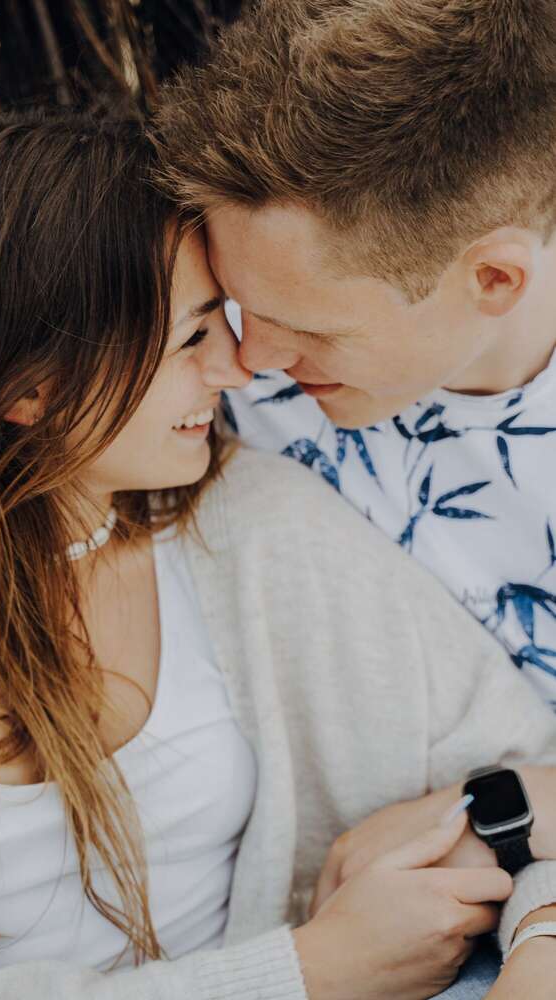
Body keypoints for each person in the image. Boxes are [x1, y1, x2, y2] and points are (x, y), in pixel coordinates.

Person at [0, 108, 556, 1000]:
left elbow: (518, 773)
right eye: (191, 338)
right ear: (29, 391)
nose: (239, 371)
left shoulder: (251, 522)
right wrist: (310, 971)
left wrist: (540, 944)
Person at [155, 0, 556, 705]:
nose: (249, 359)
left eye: (309, 330)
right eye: (233, 302)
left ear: (494, 279)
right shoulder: (204, 385)